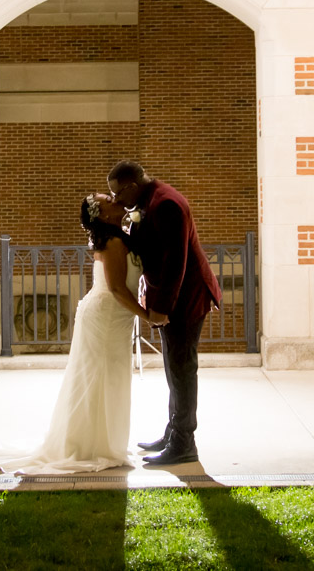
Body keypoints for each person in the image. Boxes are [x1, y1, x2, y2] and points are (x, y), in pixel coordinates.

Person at [0, 193, 162, 474]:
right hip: (106, 317)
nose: (113, 197)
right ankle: (91, 446)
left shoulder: (120, 235)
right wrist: (148, 316)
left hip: (114, 317)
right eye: (106, 198)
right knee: (101, 379)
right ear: (102, 213)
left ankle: (100, 442)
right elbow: (118, 288)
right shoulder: (114, 242)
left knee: (108, 378)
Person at [108, 160, 221, 467]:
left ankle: (185, 443)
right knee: (174, 368)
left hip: (185, 298)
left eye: (118, 194)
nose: (118, 200)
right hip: (172, 297)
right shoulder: (150, 200)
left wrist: (160, 309)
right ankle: (173, 431)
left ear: (132, 185)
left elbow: (176, 263)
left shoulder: (167, 203)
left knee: (182, 369)